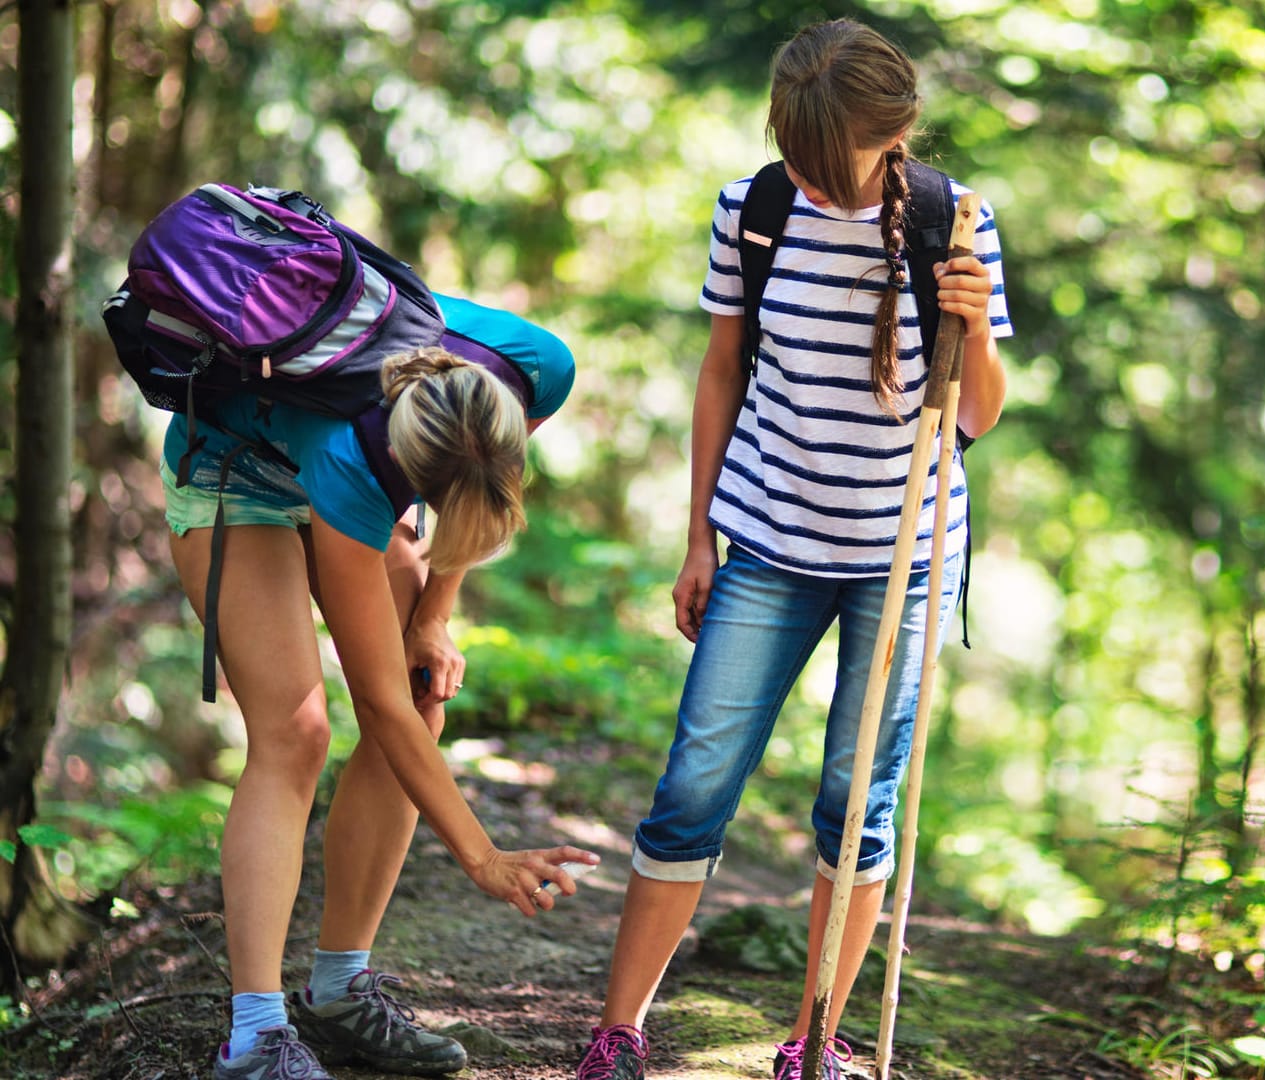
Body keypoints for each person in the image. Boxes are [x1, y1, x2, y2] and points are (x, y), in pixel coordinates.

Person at [573, 18, 1012, 1080]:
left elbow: (979, 418)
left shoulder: (957, 225)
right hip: (768, 538)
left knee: (858, 803)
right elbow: (722, 369)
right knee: (694, 782)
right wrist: (699, 541)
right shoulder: (755, 209)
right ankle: (618, 1030)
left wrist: (977, 329)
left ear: (890, 131)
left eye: (833, 157)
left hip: (902, 555)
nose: (813, 175)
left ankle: (816, 1039)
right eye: (799, 150)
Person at [160, 292, 601, 1080]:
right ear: (408, 478)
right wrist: (483, 856)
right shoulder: (351, 463)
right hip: (238, 469)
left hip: (376, 460)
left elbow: (475, 488)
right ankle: (255, 1036)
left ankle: (338, 990)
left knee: (423, 685)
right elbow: (379, 706)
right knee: (298, 732)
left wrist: (434, 615)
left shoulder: (534, 370)